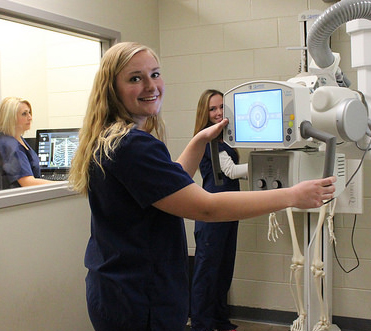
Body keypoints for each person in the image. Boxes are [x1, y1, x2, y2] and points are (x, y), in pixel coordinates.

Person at [68, 41, 336, 331]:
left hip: (115, 290)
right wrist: (292, 195)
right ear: (112, 88)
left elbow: (168, 189)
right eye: (135, 78)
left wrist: (199, 141)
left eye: (155, 74)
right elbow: (205, 208)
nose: (151, 85)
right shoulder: (133, 145)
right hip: (139, 298)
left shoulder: (110, 138)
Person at [190, 89, 247, 331]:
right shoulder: (209, 141)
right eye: (213, 109)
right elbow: (231, 171)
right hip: (213, 214)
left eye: (222, 107)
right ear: (205, 112)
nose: (218, 112)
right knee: (207, 272)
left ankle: (220, 321)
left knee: (224, 268)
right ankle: (201, 325)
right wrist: (267, 163)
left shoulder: (226, 140)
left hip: (229, 210)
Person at [0, 97, 53, 191]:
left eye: (29, 112)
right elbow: (28, 183)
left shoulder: (15, 139)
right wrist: (63, 184)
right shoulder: (10, 145)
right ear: (10, 118)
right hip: (14, 202)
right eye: (24, 114)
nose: (30, 117)